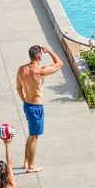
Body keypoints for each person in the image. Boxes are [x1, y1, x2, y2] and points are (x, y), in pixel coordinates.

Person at [14, 44, 62, 173]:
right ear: (39, 57)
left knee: (31, 135)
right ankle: (31, 166)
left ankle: (26, 162)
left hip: (27, 105)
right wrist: (49, 50)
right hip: (36, 108)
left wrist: (24, 101)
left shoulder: (21, 69)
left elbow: (18, 88)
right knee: (34, 137)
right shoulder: (40, 71)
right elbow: (59, 63)